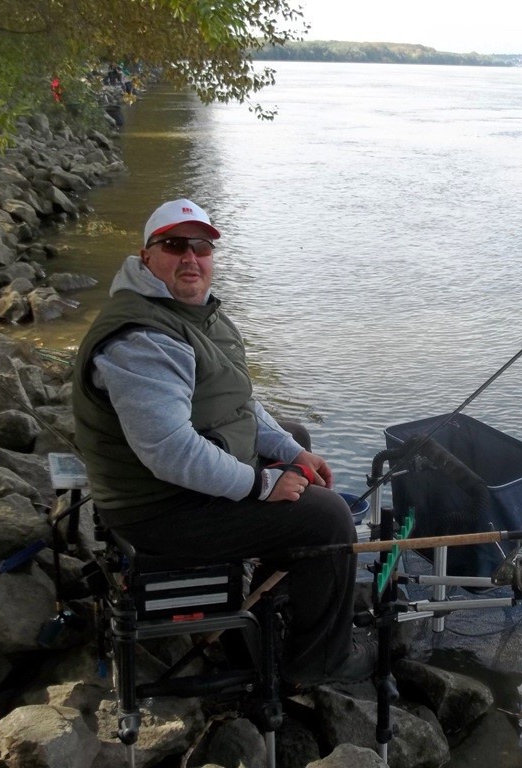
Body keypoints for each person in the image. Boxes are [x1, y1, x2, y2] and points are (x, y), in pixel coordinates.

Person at [72, 198, 373, 686]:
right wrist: (260, 485)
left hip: (175, 490)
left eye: (201, 246)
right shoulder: (142, 338)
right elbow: (170, 450)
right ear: (146, 256)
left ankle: (275, 596)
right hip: (157, 510)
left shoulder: (193, 313)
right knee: (328, 517)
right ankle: (316, 663)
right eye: (174, 245)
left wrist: (291, 454)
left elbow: (238, 401)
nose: (191, 257)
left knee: (292, 436)